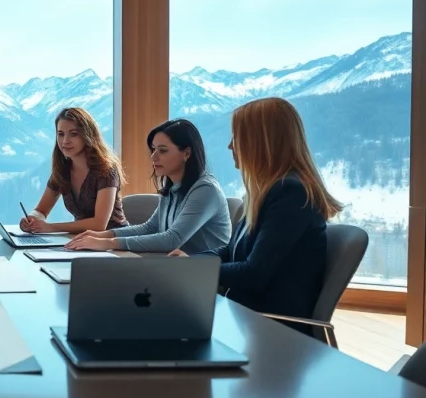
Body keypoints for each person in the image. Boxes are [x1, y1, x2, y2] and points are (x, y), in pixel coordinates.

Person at [170, 97, 343, 322]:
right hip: (245, 315)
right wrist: (190, 261)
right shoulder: (267, 192)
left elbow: (254, 274)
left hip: (269, 326)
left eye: (237, 137)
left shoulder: (290, 193)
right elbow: (230, 251)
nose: (230, 146)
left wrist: (195, 268)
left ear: (261, 142)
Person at [65, 119, 231, 254]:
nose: (153, 156)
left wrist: (107, 242)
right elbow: (150, 228)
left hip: (204, 279)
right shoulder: (173, 187)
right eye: (153, 149)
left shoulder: (205, 190)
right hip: (175, 270)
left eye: (163, 150)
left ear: (186, 154)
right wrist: (101, 235)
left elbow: (171, 239)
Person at [19, 107, 128, 235]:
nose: (65, 141)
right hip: (80, 240)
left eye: (73, 134)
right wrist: (32, 219)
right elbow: (41, 210)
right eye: (60, 134)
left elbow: (99, 224)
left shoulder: (106, 170)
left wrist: (50, 227)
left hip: (114, 243)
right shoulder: (61, 170)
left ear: (87, 135)